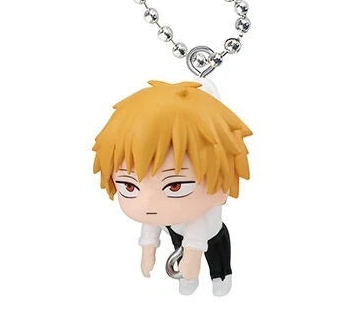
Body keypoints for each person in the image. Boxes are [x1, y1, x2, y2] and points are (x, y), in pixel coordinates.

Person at [93, 80, 252, 296]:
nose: (148, 202)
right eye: (129, 186)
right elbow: (151, 224)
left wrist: (192, 258)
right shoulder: (160, 214)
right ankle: (188, 282)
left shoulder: (202, 214)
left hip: (211, 234)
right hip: (175, 229)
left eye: (175, 186)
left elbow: (197, 235)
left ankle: (221, 278)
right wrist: (148, 249)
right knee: (182, 258)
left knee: (218, 261)